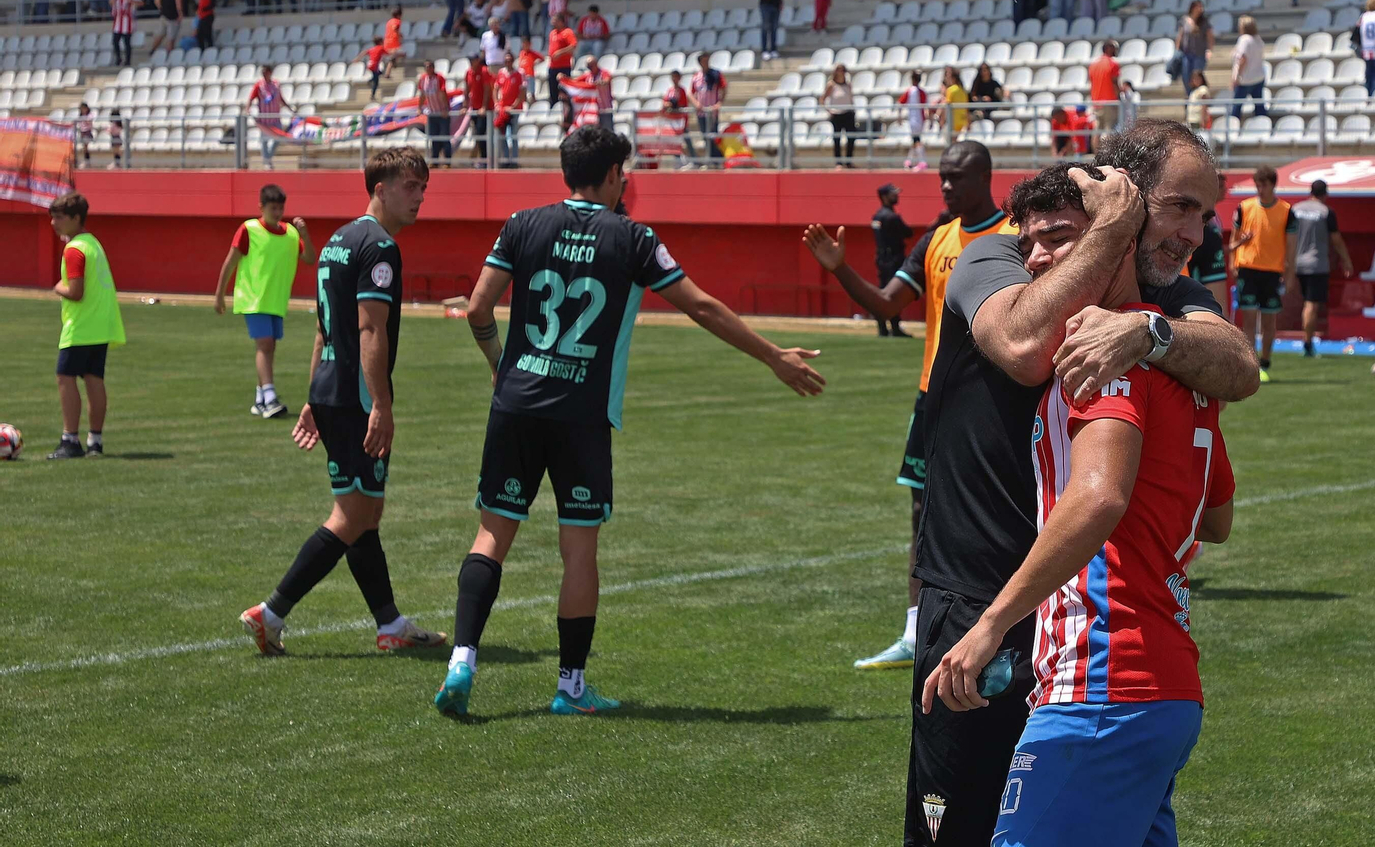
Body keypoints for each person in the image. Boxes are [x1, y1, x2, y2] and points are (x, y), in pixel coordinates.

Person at [909, 125, 1257, 847]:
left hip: (1090, 644)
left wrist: (1146, 329)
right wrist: (1104, 247)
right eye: (1181, 208)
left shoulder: (1145, 321)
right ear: (1125, 201)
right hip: (985, 601)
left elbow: (1240, 368)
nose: (1196, 234)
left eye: (1205, 214)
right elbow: (1025, 344)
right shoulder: (994, 257)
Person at [433, 126, 823, 716]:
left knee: (492, 533)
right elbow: (701, 306)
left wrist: (497, 362)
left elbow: (478, 308)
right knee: (578, 548)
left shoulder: (521, 224)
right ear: (615, 174)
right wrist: (773, 356)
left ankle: (462, 661)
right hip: (582, 414)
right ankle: (570, 688)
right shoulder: (634, 237)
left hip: (515, 404)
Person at [801, 142, 1016, 671]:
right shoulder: (936, 239)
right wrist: (839, 269)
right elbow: (886, 302)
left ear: (985, 177)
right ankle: (915, 632)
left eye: (957, 177)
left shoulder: (1015, 236)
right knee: (923, 513)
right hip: (934, 397)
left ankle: (1007, 630)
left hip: (994, 399)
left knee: (998, 512)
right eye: (942, 177)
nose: (946, 187)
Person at [240, 149, 447, 657]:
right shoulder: (379, 247)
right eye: (410, 186)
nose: (420, 196)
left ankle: (390, 624)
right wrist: (381, 405)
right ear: (380, 189)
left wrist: (314, 396)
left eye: (423, 187)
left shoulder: (337, 241)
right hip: (355, 398)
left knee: (367, 512)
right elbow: (368, 328)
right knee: (352, 515)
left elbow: (322, 328)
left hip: (332, 392)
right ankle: (270, 613)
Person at [212, 184, 314, 417]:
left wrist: (305, 235)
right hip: (253, 299)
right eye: (272, 208)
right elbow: (230, 262)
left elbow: (309, 258)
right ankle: (270, 397)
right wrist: (219, 295)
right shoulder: (249, 230)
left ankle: (260, 399)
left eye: (280, 208)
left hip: (276, 301)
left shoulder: (291, 233)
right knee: (265, 345)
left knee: (270, 347)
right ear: (261, 207)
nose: (277, 213)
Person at [47, 192, 126, 460]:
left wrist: (57, 287)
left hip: (81, 326)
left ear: (76, 218)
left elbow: (75, 291)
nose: (53, 223)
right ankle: (95, 442)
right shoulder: (93, 243)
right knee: (94, 379)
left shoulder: (74, 249)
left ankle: (70, 440)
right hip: (100, 325)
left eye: (59, 217)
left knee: (65, 377)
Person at [1230, 165, 1299, 381]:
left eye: (1264, 186)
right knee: (1249, 319)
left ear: (1273, 186)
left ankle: (1266, 361)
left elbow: (1291, 246)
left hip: (1271, 272)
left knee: (1269, 321)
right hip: (1248, 269)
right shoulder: (1245, 207)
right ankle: (1251, 364)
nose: (1260, 190)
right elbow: (1233, 239)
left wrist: (1289, 273)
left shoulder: (1286, 211)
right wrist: (1233, 263)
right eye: (1257, 185)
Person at [1290, 180, 1353, 356]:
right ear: (1325, 194)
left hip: (1297, 263)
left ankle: (1307, 340)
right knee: (1311, 304)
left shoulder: (1295, 210)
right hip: (1317, 264)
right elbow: (1336, 239)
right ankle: (1308, 344)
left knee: (1307, 303)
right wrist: (1346, 260)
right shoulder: (1326, 212)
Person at [872, 183, 914, 338]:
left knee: (882, 291)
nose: (896, 196)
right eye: (892, 193)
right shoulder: (892, 217)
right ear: (884, 197)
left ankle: (882, 327)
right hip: (893, 259)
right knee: (894, 293)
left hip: (881, 258)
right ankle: (895, 327)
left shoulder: (877, 216)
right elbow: (908, 233)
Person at [246, 65, 292, 170]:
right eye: (262, 72)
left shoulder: (276, 84)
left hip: (275, 117)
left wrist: (289, 107)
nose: (263, 74)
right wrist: (248, 109)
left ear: (270, 72)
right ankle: (267, 162)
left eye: (265, 72)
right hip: (264, 119)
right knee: (264, 141)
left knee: (279, 138)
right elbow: (251, 98)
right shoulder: (259, 85)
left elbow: (281, 98)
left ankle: (268, 157)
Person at [690, 51, 725, 163]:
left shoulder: (716, 74)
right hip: (701, 111)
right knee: (705, 136)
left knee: (713, 136)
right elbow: (691, 93)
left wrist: (719, 103)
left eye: (707, 60)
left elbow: (723, 87)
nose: (706, 62)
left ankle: (717, 160)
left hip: (712, 111)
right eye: (703, 60)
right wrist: (696, 103)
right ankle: (712, 159)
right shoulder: (696, 77)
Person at [417, 59, 454, 163]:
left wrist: (445, 109)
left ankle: (447, 161)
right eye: (426, 67)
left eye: (430, 66)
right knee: (434, 137)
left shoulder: (439, 78)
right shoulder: (423, 79)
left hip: (441, 113)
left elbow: (442, 93)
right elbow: (422, 95)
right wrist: (419, 107)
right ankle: (435, 160)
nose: (428, 69)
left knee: (445, 137)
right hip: (432, 113)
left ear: (433, 68)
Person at [1230, 14, 1267, 118]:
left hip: (1245, 79)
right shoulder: (1258, 39)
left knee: (1236, 107)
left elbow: (1243, 59)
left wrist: (1237, 77)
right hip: (1258, 77)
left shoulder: (1244, 39)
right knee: (1259, 105)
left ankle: (1233, 124)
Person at [1087, 40, 1120, 147]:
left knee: (1097, 129)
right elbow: (1114, 82)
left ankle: (1096, 152)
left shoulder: (1093, 64)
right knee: (1109, 128)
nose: (1115, 50)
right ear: (1108, 48)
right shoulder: (1112, 63)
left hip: (1096, 101)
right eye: (1114, 48)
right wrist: (1119, 96)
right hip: (1110, 101)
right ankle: (1107, 152)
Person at [823, 63, 857, 166]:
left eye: (842, 70)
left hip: (848, 113)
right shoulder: (831, 85)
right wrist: (829, 110)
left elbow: (851, 98)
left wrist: (853, 110)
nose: (841, 72)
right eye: (838, 70)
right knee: (837, 138)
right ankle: (838, 162)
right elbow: (823, 99)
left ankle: (849, 161)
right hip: (836, 114)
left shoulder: (848, 85)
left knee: (851, 137)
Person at [899, 69, 930, 170]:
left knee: (916, 139)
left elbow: (900, 103)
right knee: (915, 139)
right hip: (920, 119)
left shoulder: (910, 91)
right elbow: (926, 107)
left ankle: (922, 161)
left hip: (913, 119)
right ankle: (909, 161)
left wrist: (899, 116)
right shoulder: (922, 92)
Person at [108, 0, 141, 66]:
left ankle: (128, 60)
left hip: (128, 22)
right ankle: (118, 58)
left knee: (127, 42)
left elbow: (141, 2)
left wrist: (132, 1)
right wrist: (111, 2)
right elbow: (112, 2)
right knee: (115, 41)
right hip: (118, 21)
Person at [547, 12, 577, 107]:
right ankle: (554, 108)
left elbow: (573, 46)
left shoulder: (567, 32)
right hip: (552, 66)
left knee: (565, 91)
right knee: (553, 91)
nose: (552, 22)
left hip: (563, 66)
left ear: (561, 21)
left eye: (555, 20)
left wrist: (560, 52)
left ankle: (567, 110)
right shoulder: (552, 33)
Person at [941, 65, 970, 141]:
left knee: (951, 142)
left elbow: (946, 107)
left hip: (953, 121)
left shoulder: (950, 90)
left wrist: (942, 120)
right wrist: (968, 122)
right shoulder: (963, 91)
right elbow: (966, 109)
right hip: (962, 121)